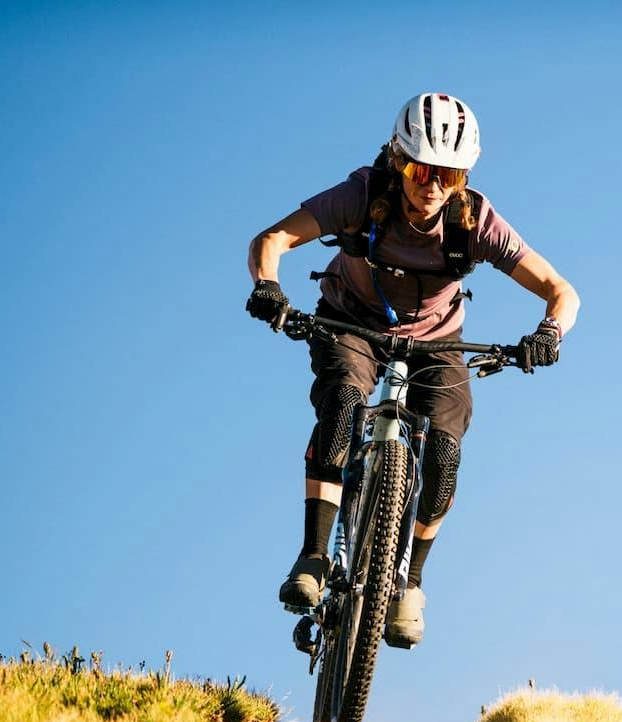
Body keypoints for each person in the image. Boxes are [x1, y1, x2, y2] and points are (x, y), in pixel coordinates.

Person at [245, 92, 580, 646]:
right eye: (421, 169)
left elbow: (561, 291)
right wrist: (267, 287)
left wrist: (548, 334)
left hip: (437, 343)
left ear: (462, 176)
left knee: (445, 454)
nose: (431, 185)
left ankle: (411, 583)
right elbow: (272, 240)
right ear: (400, 160)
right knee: (344, 405)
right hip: (350, 322)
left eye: (446, 174)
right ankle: (313, 557)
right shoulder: (362, 194)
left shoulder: (475, 221)